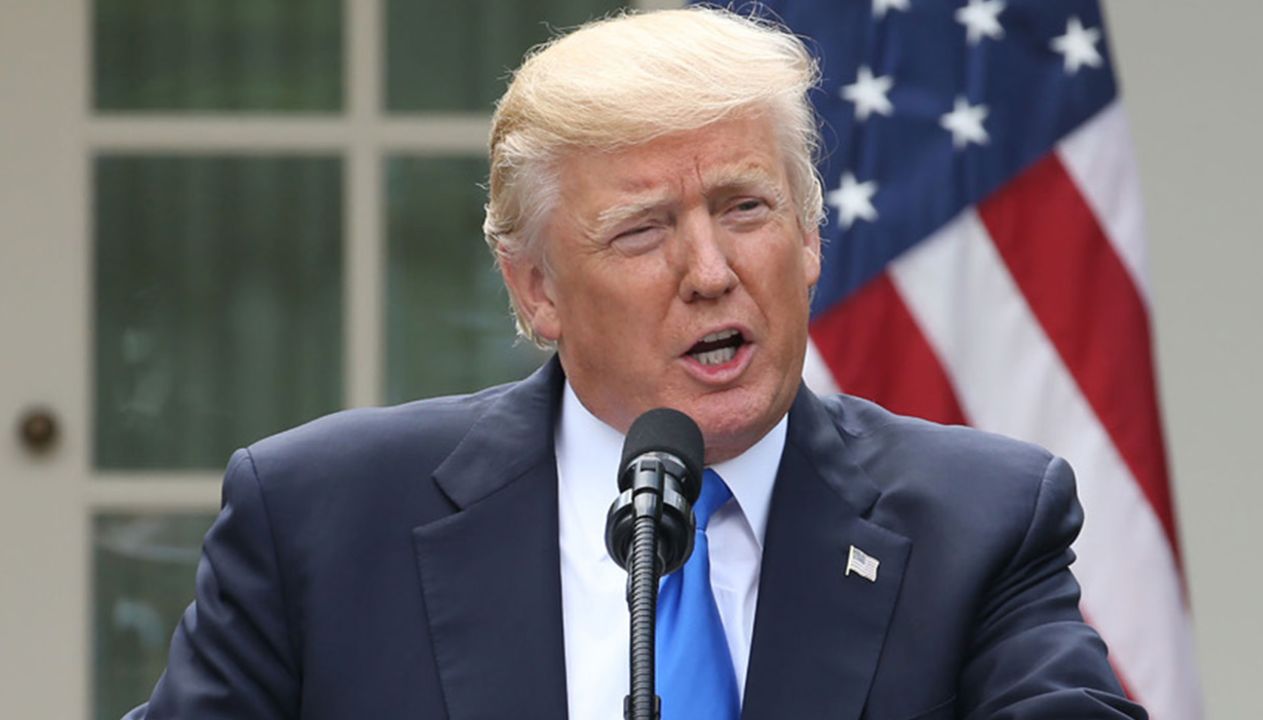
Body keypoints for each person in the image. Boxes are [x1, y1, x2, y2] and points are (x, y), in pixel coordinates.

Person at [126, 7, 1146, 720]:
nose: (710, 271)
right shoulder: (320, 520)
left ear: (808, 239)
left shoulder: (979, 523)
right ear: (535, 290)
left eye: (745, 208)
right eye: (641, 231)